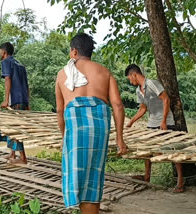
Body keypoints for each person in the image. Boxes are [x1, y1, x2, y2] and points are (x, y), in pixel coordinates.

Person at [55, 33, 127, 214]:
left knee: (77, 177)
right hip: (99, 126)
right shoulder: (104, 71)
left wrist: (65, 137)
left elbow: (59, 110)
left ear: (74, 51)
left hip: (75, 126)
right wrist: (120, 138)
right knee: (94, 176)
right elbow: (117, 105)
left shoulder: (63, 74)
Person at [125, 64, 184, 192]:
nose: (130, 81)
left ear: (134, 74)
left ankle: (180, 181)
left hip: (166, 121)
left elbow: (166, 99)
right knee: (148, 149)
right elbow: (143, 109)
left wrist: (164, 121)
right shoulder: (138, 91)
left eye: (130, 78)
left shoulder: (152, 83)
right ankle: (147, 176)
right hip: (152, 122)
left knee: (172, 149)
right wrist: (131, 122)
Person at [0, 42, 29, 164]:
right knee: (11, 126)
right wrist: (27, 102)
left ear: (4, 52)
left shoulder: (6, 62)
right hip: (22, 99)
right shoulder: (20, 65)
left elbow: (7, 79)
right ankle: (12, 153)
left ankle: (23, 157)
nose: (0, 53)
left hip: (14, 99)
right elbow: (27, 86)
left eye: (0, 51)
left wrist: (6, 100)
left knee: (15, 127)